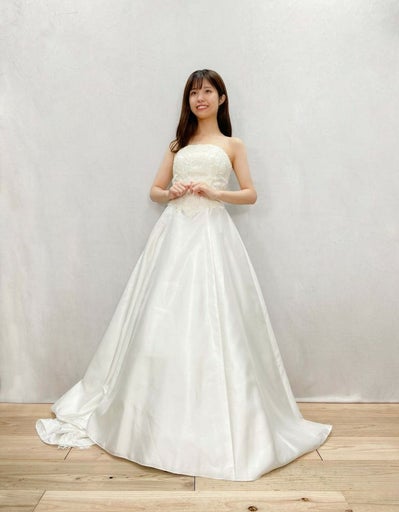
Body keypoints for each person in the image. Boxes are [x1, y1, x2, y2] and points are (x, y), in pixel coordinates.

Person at [36, 69, 332, 482]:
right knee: (162, 316)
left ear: (222, 98)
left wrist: (217, 193)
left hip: (213, 234)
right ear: (188, 101)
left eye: (208, 91)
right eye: (194, 93)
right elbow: (154, 190)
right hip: (174, 234)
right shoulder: (178, 144)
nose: (200, 98)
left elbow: (250, 193)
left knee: (218, 317)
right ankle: (151, 415)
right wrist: (170, 193)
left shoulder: (233, 144)